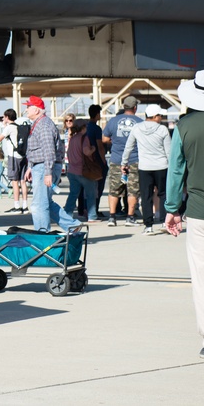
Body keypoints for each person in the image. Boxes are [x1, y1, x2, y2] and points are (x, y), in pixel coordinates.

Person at [164, 70, 204, 359]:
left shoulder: (184, 126)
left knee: (201, 277)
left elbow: (176, 171)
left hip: (199, 212)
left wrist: (171, 209)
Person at [23, 96, 80, 234]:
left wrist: (48, 172)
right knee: (46, 202)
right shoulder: (39, 124)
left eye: (28, 106)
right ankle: (71, 225)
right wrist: (31, 166)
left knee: (38, 205)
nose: (26, 110)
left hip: (44, 166)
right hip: (40, 166)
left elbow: (48, 150)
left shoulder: (43, 125)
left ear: (36, 109)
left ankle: (43, 236)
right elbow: (39, 149)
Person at [122, 104, 171, 235]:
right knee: (163, 194)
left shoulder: (137, 128)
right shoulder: (163, 130)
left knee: (146, 196)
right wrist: (172, 166)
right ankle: (164, 222)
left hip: (144, 167)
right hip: (162, 166)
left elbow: (129, 146)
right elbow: (169, 151)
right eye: (160, 115)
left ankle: (148, 226)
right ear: (155, 116)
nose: (161, 117)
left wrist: (124, 163)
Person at [104, 95, 143, 227]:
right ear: (135, 108)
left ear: (124, 106)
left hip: (116, 159)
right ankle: (130, 217)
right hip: (134, 159)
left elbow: (104, 139)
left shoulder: (113, 121)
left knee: (114, 189)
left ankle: (112, 217)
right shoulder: (140, 122)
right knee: (133, 190)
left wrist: (114, 141)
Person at [63, 119, 101, 223]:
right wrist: (93, 148)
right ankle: (92, 216)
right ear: (83, 127)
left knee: (73, 194)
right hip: (83, 171)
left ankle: (67, 214)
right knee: (90, 194)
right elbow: (87, 152)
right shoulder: (84, 138)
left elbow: (68, 153)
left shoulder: (73, 138)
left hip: (72, 170)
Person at [0, 109, 28, 214]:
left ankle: (17, 206)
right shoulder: (18, 127)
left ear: (7, 117)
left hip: (13, 157)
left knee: (14, 182)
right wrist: (4, 125)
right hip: (23, 156)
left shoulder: (9, 128)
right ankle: (25, 206)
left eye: (4, 117)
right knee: (23, 181)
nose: (3, 119)